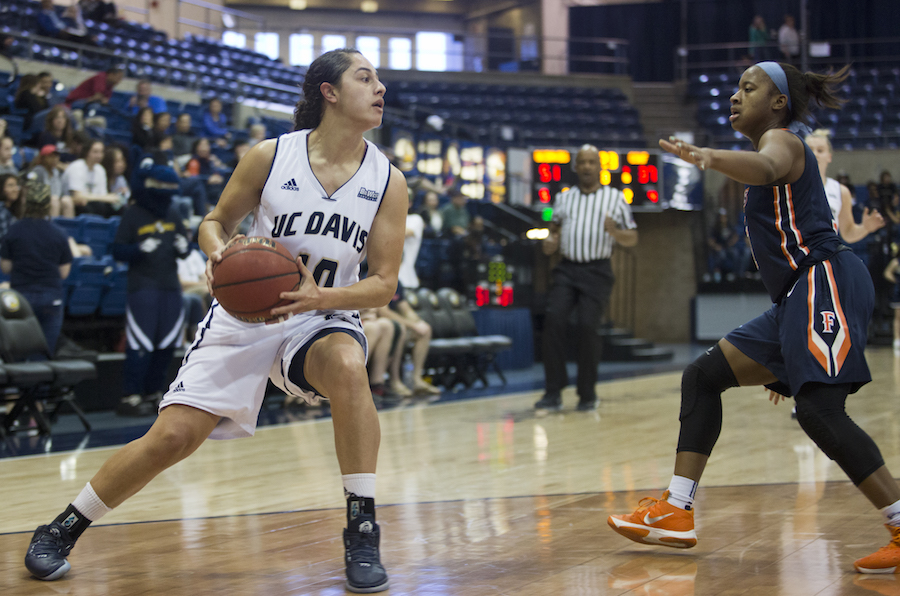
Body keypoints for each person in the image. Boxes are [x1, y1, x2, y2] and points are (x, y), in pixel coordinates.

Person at [23, 48, 405, 594]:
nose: (380, 88)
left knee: (348, 366)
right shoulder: (270, 156)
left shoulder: (387, 180)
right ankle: (62, 527)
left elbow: (384, 283)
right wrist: (217, 253)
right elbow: (215, 221)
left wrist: (323, 297)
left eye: (379, 80)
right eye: (365, 78)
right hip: (244, 317)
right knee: (173, 437)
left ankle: (362, 529)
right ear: (329, 91)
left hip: (320, 315)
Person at [606, 61, 900, 575]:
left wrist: (708, 157)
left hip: (823, 278)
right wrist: (788, 346)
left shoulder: (783, 142)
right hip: (797, 297)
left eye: (750, 87)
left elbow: (765, 169)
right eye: (736, 87)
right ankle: (676, 510)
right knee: (703, 376)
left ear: (779, 101)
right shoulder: (773, 144)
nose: (736, 96)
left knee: (819, 412)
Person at [535, 144, 638, 412]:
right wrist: (550, 241)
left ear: (600, 166)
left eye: (593, 162)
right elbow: (553, 229)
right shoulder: (564, 198)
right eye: (583, 162)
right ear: (576, 167)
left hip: (597, 271)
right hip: (567, 269)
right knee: (554, 321)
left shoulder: (615, 198)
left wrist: (615, 232)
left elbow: (633, 237)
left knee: (588, 328)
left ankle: (587, 393)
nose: (588, 166)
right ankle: (553, 391)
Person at [110, 153, 189, 416]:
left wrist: (184, 247)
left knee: (167, 343)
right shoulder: (133, 214)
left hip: (169, 285)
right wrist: (137, 249)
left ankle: (155, 391)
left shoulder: (173, 211)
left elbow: (185, 245)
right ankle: (130, 395)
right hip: (142, 286)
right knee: (140, 343)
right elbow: (117, 250)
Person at [0, 179, 72, 354]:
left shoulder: (14, 230)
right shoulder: (59, 233)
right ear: (48, 205)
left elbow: (6, 267)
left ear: (26, 202)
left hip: (22, 297)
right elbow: (64, 272)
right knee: (44, 356)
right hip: (50, 297)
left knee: (18, 355)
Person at [805, 129, 884, 243]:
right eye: (810, 150)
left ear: (829, 157)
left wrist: (865, 228)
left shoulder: (840, 191)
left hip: (826, 254)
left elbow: (848, 233)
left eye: (820, 150)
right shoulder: (790, 187)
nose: (815, 154)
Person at [376, 283, 441, 397]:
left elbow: (405, 309)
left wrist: (417, 321)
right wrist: (413, 325)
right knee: (400, 330)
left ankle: (417, 380)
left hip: (394, 325)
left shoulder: (397, 282)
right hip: (380, 327)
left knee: (425, 331)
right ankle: (395, 381)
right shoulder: (376, 277)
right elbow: (384, 313)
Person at [61, 139, 122, 216]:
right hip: (76, 204)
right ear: (87, 152)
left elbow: (103, 195)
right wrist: (105, 197)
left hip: (94, 203)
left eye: (101, 152)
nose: (99, 155)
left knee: (119, 208)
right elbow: (77, 196)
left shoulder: (100, 169)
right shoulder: (77, 167)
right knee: (92, 208)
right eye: (95, 152)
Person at [26, 145, 75, 218]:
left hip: (55, 201)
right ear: (44, 158)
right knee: (54, 200)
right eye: (51, 156)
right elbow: (34, 192)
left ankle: (69, 227)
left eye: (56, 156)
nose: (55, 159)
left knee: (67, 200)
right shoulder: (38, 171)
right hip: (40, 204)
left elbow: (60, 192)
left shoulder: (56, 172)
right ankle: (52, 226)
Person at [398, 192, 424, 290]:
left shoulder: (416, 219)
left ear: (410, 204)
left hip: (406, 279)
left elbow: (404, 232)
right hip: (385, 278)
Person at [884, 250, 900, 356]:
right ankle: (897, 340)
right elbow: (887, 273)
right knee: (898, 317)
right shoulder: (896, 261)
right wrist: (897, 281)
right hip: (898, 292)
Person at [0, 173, 23, 239]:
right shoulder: (1, 211)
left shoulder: (14, 208)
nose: (15, 189)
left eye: (16, 185)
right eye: (10, 186)